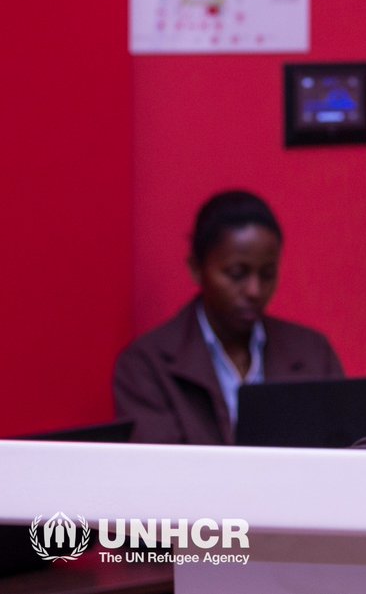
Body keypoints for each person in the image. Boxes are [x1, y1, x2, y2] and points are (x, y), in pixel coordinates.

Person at [114, 190, 343, 444]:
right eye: (237, 274)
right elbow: (161, 464)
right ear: (197, 268)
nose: (254, 290)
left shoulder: (313, 353)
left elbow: (341, 449)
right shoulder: (147, 364)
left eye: (267, 274)